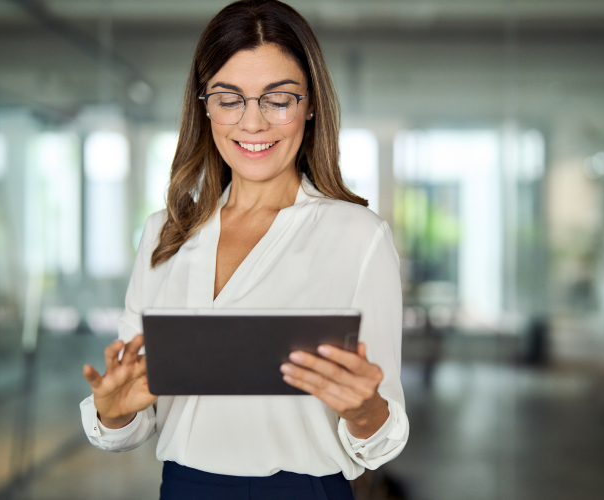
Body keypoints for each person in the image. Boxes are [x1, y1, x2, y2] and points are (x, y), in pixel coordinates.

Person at [79, 1, 409, 498]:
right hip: (185, 488)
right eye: (229, 98)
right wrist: (115, 408)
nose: (252, 123)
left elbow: (381, 434)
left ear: (310, 103)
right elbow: (133, 419)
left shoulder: (358, 236)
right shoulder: (164, 233)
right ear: (204, 105)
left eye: (278, 99)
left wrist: (365, 412)